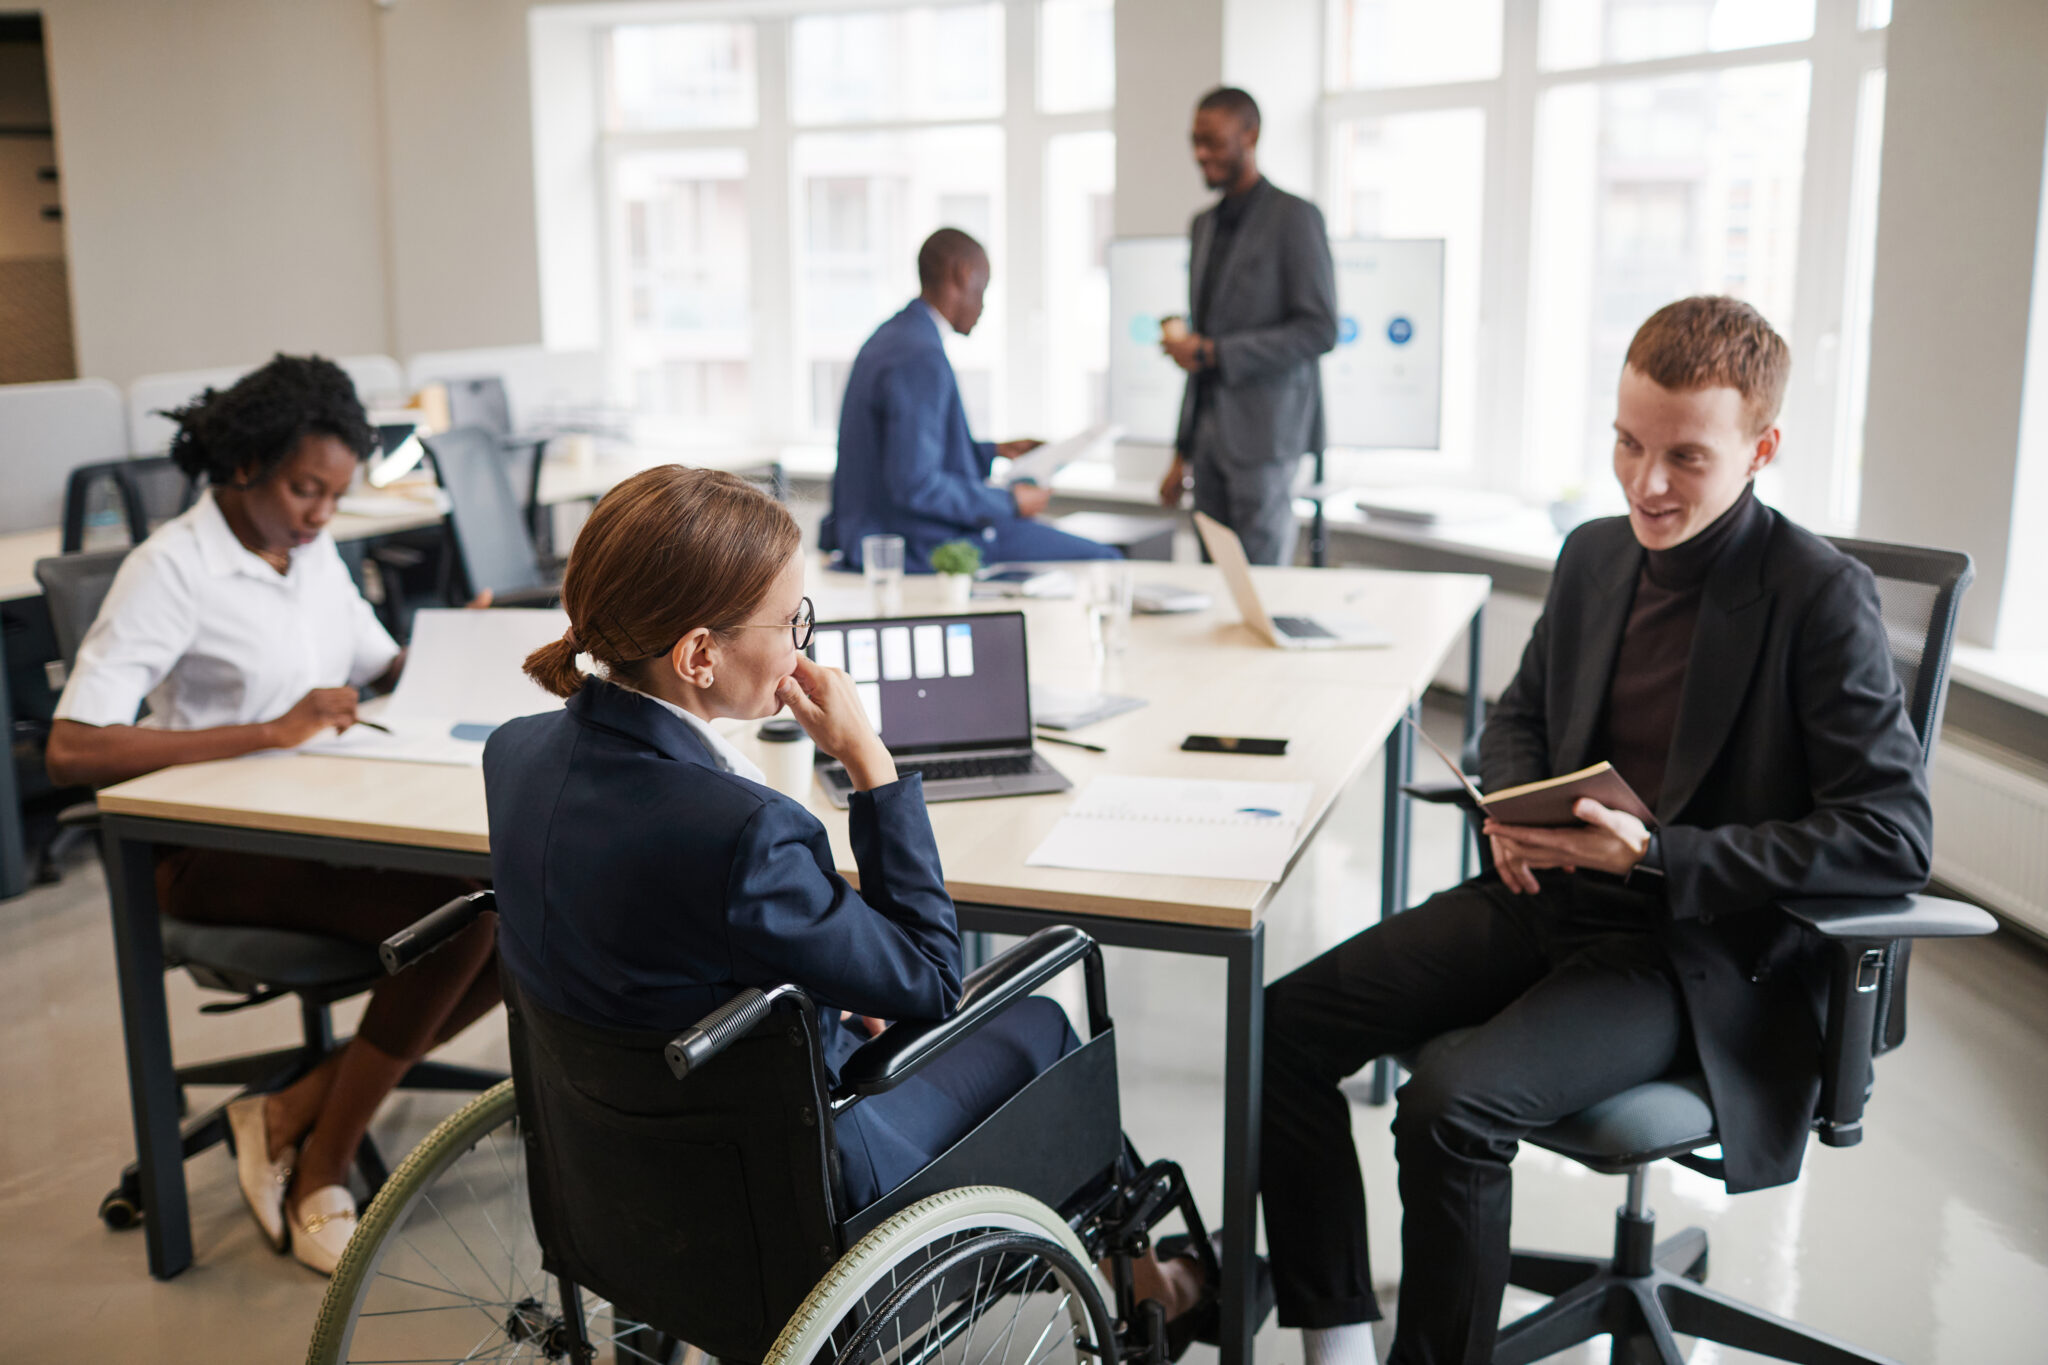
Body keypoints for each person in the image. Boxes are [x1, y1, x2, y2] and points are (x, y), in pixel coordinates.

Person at [1257, 297, 1934, 1365]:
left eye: (1683, 459)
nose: (1644, 484)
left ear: (1760, 450)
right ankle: (1335, 1334)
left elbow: (1891, 834)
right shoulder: (1591, 556)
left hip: (1689, 951)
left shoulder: (1817, 597)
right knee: (1279, 1031)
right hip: (1551, 897)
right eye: (1625, 443)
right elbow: (1518, 717)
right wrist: (1518, 811)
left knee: (1447, 1109)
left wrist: (1660, 854)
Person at [485, 465, 1220, 1340]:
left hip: (606, 1163)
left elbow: (661, 934)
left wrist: (825, 990)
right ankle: (1152, 1287)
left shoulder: (517, 754)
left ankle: (1145, 1278)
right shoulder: (745, 830)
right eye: (791, 620)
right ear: (697, 654)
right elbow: (934, 976)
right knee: (1044, 1025)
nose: (804, 644)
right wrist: (870, 758)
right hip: (782, 1183)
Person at [45, 354, 501, 1276]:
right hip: (208, 850)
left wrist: (471, 640)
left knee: (520, 906)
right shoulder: (170, 568)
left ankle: (290, 1110)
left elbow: (381, 668)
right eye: (305, 490)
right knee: (463, 921)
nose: (323, 514)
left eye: (334, 494)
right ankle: (319, 1170)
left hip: (327, 819)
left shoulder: (309, 550)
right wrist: (271, 730)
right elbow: (75, 747)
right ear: (245, 464)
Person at [821, 227, 1117, 572]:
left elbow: (903, 458)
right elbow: (915, 484)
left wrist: (993, 452)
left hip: (878, 530)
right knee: (1105, 561)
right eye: (984, 288)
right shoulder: (919, 356)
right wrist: (1009, 502)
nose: (983, 304)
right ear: (962, 274)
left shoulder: (895, 336)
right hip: (918, 542)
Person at [1157, 87, 1337, 567]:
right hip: (1208, 437)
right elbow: (1201, 342)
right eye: (1195, 141)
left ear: (1250, 135)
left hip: (1266, 438)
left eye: (1213, 141)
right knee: (1214, 582)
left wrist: (1217, 352)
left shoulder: (1294, 218)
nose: (1200, 154)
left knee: (1259, 585)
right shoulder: (1202, 226)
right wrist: (1182, 450)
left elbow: (1319, 329)